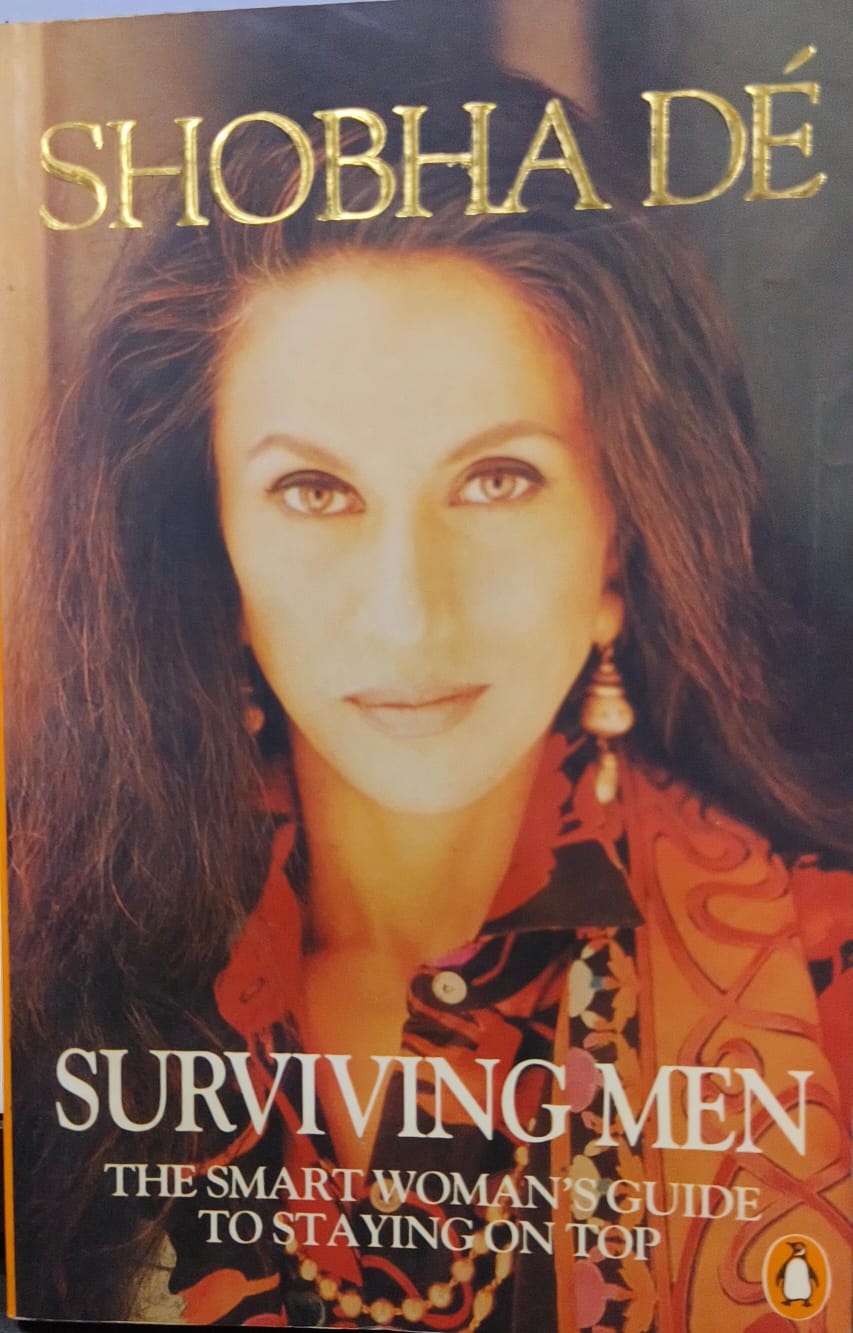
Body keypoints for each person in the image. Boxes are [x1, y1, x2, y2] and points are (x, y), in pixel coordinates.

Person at [6, 72, 850, 1331]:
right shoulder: (37, 969)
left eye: (497, 478)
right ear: (209, 546)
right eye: (314, 492)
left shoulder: (827, 985)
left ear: (620, 541)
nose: (408, 614)